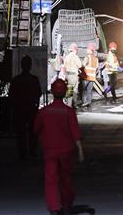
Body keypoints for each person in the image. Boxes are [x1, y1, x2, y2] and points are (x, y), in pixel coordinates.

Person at [34, 78, 85, 215]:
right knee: (66, 179)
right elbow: (75, 132)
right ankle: (66, 205)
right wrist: (80, 151)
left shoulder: (44, 112)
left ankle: (54, 208)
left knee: (50, 180)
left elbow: (36, 130)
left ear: (52, 92)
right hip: (66, 152)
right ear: (64, 92)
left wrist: (36, 147)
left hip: (50, 151)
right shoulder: (69, 112)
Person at [9, 55, 42, 160]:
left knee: (21, 132)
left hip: (19, 108)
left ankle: (22, 152)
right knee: (33, 131)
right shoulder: (34, 79)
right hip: (31, 108)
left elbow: (11, 95)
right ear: (30, 66)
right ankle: (32, 150)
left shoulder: (16, 80)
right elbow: (38, 93)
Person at [81, 43, 99, 107]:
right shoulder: (96, 59)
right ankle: (89, 102)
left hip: (86, 77)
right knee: (89, 90)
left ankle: (84, 102)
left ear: (91, 50)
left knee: (83, 90)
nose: (86, 50)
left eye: (87, 49)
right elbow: (97, 69)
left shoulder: (87, 57)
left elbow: (82, 65)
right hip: (92, 78)